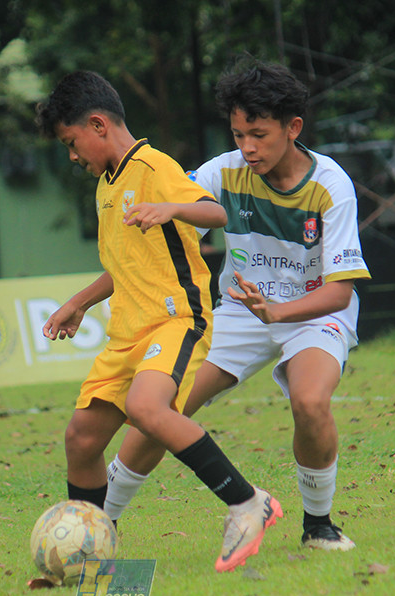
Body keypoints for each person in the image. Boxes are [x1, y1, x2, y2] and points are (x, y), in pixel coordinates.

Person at [104, 59, 371, 551]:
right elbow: (155, 247)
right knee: (162, 406)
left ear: (293, 128)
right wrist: (83, 299)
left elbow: (340, 292)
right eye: (238, 133)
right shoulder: (222, 172)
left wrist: (279, 312)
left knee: (310, 401)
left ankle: (318, 524)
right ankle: (104, 520)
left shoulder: (331, 186)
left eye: (259, 134)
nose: (247, 147)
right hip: (238, 312)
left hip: (314, 313)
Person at [36, 70, 280, 573]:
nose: (73, 156)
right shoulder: (107, 187)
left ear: (98, 125)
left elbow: (215, 213)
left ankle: (247, 501)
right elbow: (123, 266)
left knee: (148, 408)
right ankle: (92, 555)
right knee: (81, 438)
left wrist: (170, 207)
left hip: (176, 321)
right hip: (126, 333)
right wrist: (79, 302)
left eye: (71, 142)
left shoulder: (152, 165)